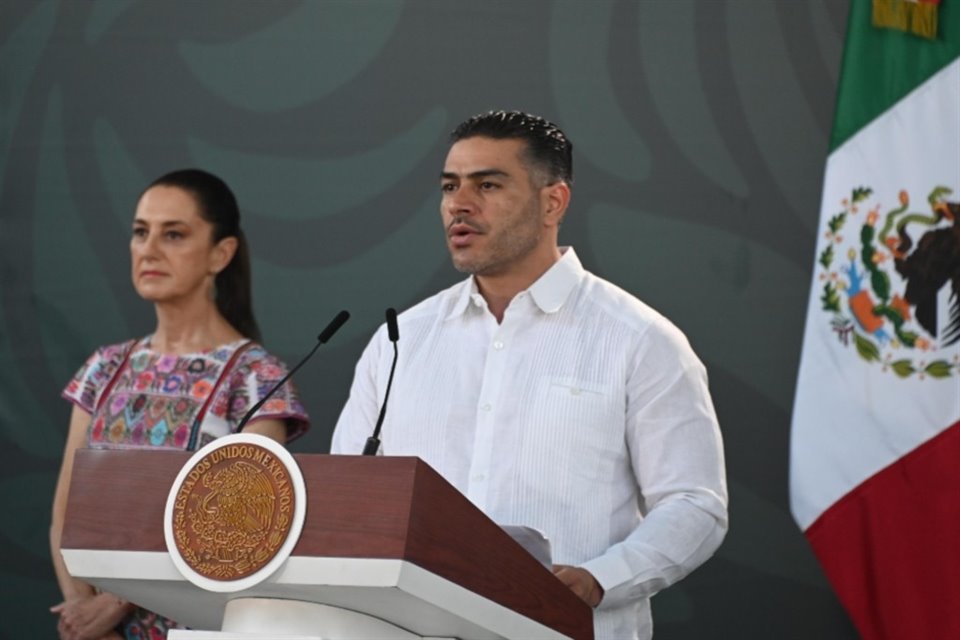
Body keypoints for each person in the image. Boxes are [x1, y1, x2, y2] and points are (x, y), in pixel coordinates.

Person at [331, 111, 728, 639]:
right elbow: (348, 499)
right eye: (450, 186)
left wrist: (596, 579)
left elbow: (694, 503)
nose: (459, 204)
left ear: (553, 202)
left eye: (488, 184)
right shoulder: (401, 341)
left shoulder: (639, 339)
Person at [49, 169, 310, 640]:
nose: (149, 249)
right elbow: (65, 515)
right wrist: (81, 613)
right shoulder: (102, 368)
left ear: (221, 253)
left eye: (173, 234)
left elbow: (238, 527)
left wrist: (114, 605)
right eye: (140, 232)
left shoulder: (257, 378)